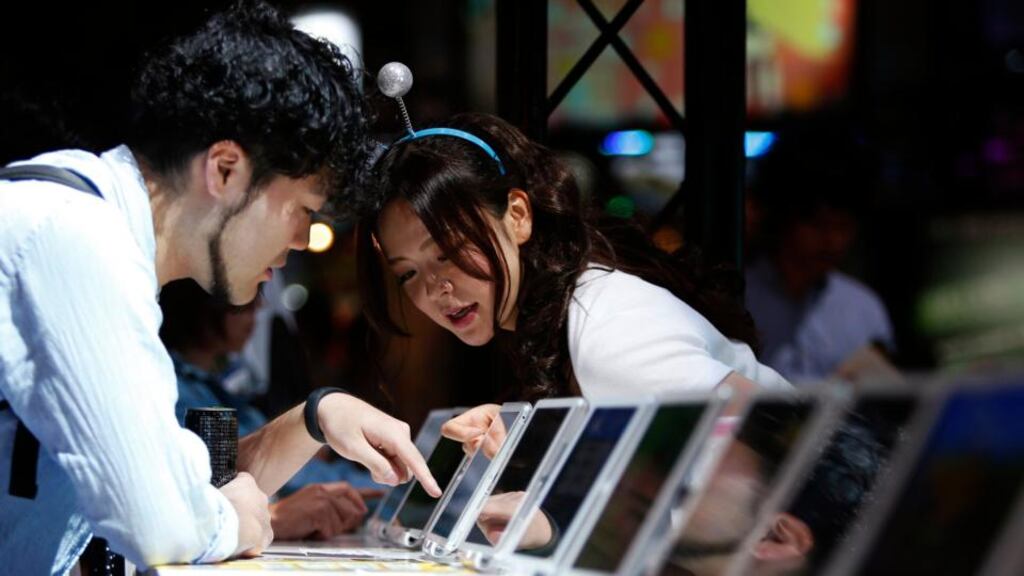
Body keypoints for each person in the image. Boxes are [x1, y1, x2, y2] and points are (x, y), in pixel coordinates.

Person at [0, 3, 439, 573]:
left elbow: (176, 478)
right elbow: (156, 523)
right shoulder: (74, 235)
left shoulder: (87, 227)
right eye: (303, 210)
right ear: (226, 170)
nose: (305, 239)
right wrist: (234, 521)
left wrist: (313, 418)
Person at [353, 112, 789, 402]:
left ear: (518, 216)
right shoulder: (557, 322)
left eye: (447, 253)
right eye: (407, 273)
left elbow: (770, 438)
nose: (434, 289)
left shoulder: (603, 333)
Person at [159, 279, 385, 541]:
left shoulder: (219, 386)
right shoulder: (179, 392)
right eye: (245, 304)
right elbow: (253, 470)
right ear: (207, 306)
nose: (257, 312)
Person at [744, 134, 898, 385]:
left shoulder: (863, 308)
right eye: (818, 225)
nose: (833, 241)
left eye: (843, 227)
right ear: (783, 218)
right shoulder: (739, 300)